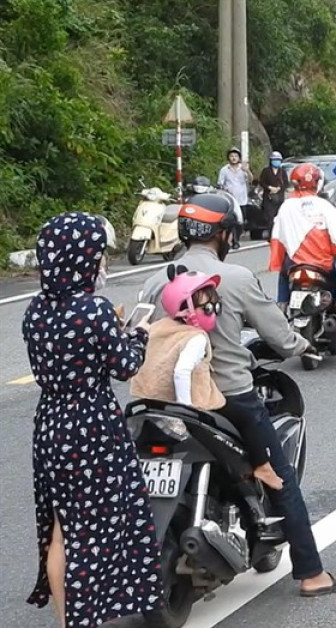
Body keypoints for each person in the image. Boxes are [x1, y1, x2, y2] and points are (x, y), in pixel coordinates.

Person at [140, 192, 336, 598]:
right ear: (224, 235)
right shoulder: (233, 278)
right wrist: (303, 346)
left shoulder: (154, 281)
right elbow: (278, 335)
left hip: (163, 401)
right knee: (280, 479)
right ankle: (311, 574)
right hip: (228, 399)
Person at [23, 212, 161, 628]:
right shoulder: (93, 310)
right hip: (93, 427)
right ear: (82, 257)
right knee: (95, 533)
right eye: (98, 255)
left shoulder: (35, 311)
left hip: (50, 425)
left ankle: (69, 620)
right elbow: (126, 366)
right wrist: (138, 333)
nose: (101, 264)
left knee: (62, 529)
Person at [130, 267, 285, 490]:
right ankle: (262, 466)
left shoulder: (157, 328)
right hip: (191, 407)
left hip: (150, 405)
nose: (214, 312)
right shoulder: (196, 337)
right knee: (249, 417)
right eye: (209, 308)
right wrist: (185, 413)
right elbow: (181, 372)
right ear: (186, 310)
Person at [269, 163, 336, 324]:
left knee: (284, 275)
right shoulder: (325, 205)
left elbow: (277, 234)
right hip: (323, 262)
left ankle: (281, 307)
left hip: (295, 262)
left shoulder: (286, 206)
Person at [217, 146, 250, 249]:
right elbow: (220, 184)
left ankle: (238, 237)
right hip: (231, 200)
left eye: (236, 156)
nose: (234, 158)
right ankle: (235, 241)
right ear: (228, 158)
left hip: (242, 199)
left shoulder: (243, 169)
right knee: (233, 221)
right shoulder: (224, 170)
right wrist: (225, 190)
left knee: (241, 222)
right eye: (231, 156)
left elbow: (251, 180)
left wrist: (247, 171)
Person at [258, 151, 288, 229]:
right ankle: (271, 234)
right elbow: (262, 182)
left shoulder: (283, 172)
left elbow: (286, 183)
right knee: (270, 217)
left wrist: (279, 188)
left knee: (279, 217)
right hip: (268, 198)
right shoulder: (266, 171)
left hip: (279, 198)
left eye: (278, 160)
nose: (276, 161)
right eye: (274, 160)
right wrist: (269, 187)